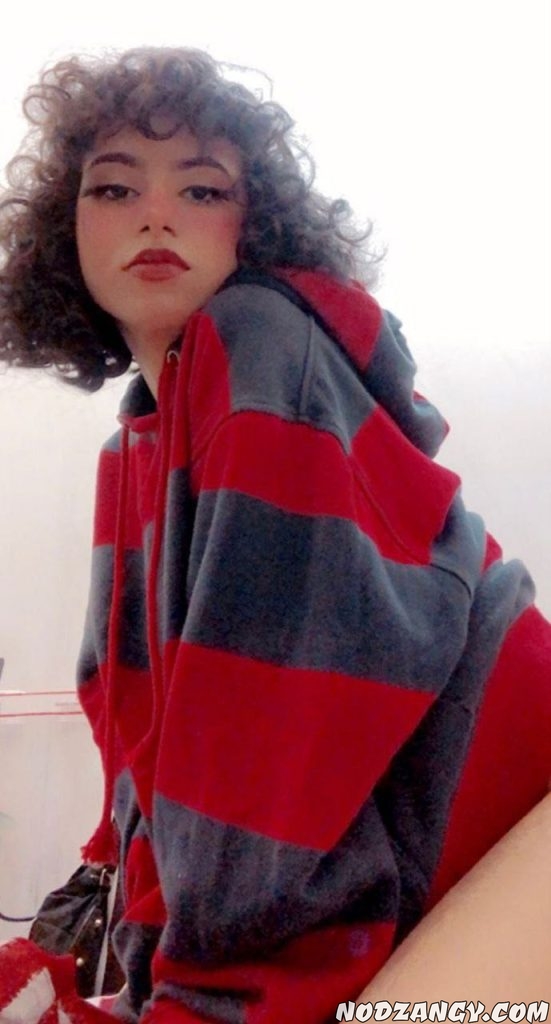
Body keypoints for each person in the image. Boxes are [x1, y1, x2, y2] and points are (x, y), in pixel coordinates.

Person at [0, 46, 550, 1024]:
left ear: (254, 226)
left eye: (202, 188)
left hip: (508, 823)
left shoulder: (257, 341)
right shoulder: (137, 445)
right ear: (66, 228)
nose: (155, 215)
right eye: (114, 187)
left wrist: (201, 998)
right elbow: (158, 757)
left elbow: (267, 730)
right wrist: (108, 953)